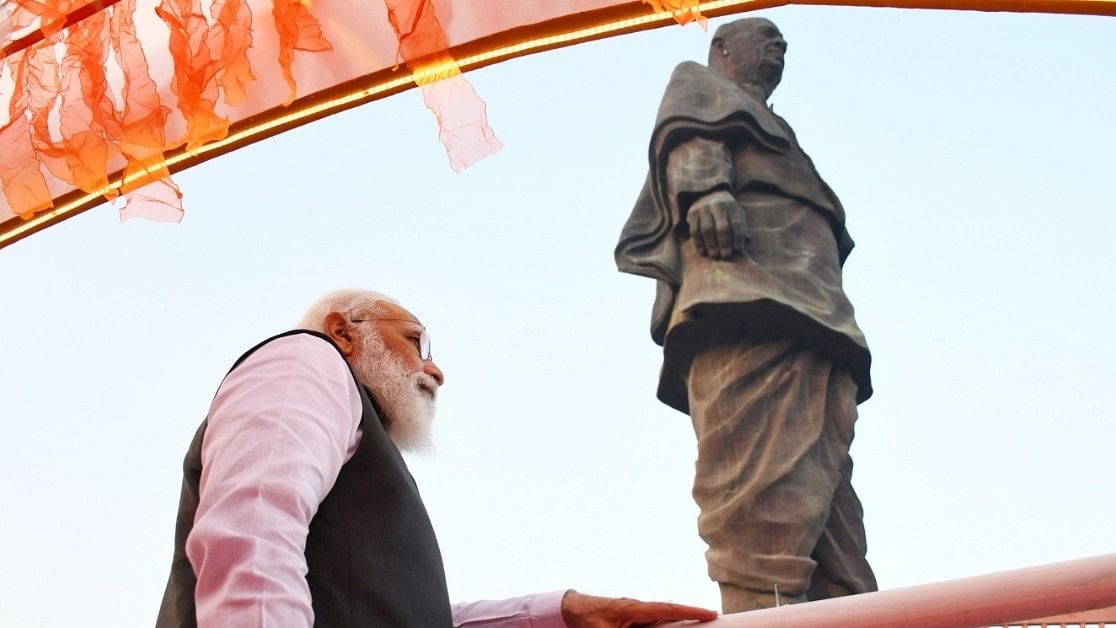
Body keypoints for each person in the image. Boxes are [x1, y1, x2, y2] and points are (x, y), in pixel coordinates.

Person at [156, 289, 717, 627]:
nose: (436, 369)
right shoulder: (310, 361)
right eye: (417, 341)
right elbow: (253, 534)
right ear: (341, 332)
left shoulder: (356, 434)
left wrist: (565, 611)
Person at [615, 18, 877, 613]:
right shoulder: (701, 88)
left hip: (814, 312)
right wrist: (706, 192)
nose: (779, 43)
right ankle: (764, 614)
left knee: (830, 502)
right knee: (761, 492)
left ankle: (850, 610)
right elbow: (689, 139)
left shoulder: (775, 127)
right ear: (722, 48)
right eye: (765, 33)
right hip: (747, 298)